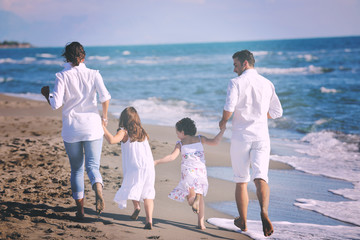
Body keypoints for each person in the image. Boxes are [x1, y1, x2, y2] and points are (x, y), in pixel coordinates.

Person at [41, 42, 111, 219]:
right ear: (83, 56)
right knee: (93, 166)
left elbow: (56, 104)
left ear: (66, 57)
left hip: (72, 128)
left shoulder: (62, 76)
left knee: (77, 170)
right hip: (93, 127)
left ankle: (80, 210)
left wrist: (46, 95)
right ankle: (98, 191)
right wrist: (104, 117)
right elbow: (105, 97)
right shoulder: (94, 74)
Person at [219, 50, 283, 237]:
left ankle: (243, 221)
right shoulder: (267, 83)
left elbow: (229, 108)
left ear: (245, 63)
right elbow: (277, 112)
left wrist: (223, 122)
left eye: (236, 65)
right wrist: (260, 115)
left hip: (241, 137)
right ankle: (263, 211)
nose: (234, 69)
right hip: (262, 136)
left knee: (241, 180)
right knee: (261, 177)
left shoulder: (236, 83)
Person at [154, 117, 225, 230]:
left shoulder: (181, 143)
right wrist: (222, 131)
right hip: (201, 172)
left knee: (190, 198)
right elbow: (215, 142)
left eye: (177, 132)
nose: (177, 135)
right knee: (200, 198)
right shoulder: (200, 139)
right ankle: (201, 224)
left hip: (188, 173)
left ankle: (193, 201)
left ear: (182, 132)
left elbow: (172, 157)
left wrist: (157, 161)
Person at [102, 107, 155, 230]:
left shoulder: (124, 131)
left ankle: (136, 207)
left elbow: (111, 140)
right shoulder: (142, 131)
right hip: (148, 167)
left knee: (132, 185)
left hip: (134, 166)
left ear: (123, 119)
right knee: (148, 193)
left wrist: (102, 127)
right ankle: (149, 221)